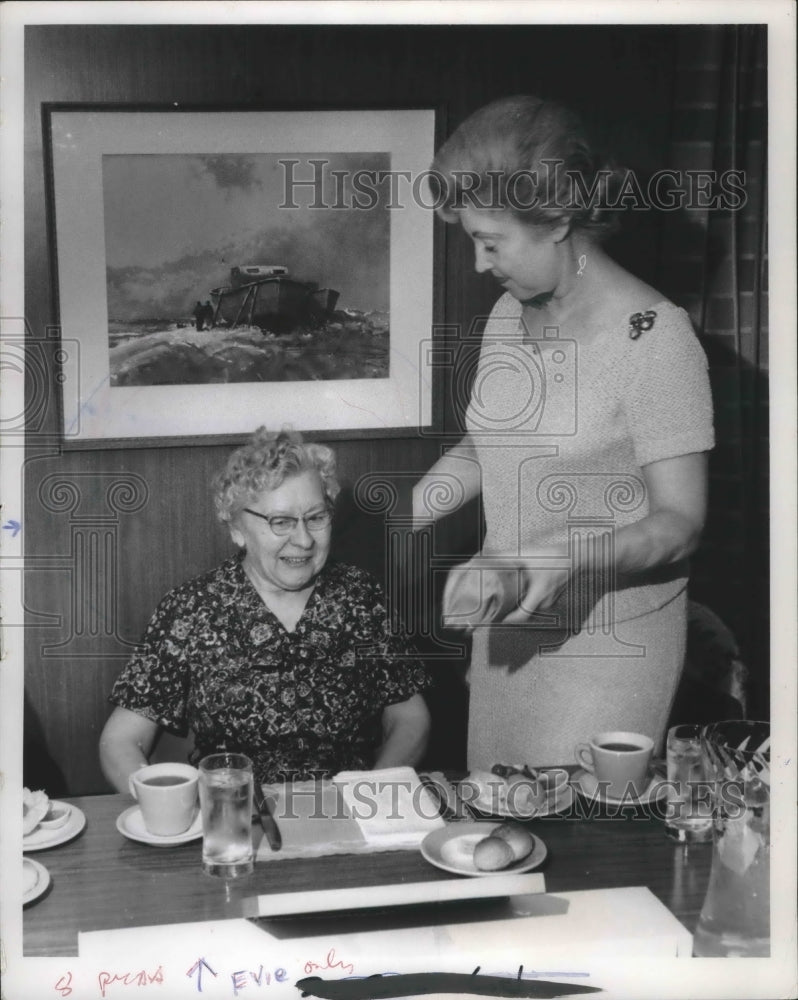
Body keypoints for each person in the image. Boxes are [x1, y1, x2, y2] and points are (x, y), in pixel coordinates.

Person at [413, 96, 714, 769]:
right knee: (498, 830)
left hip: (609, 643)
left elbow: (682, 521)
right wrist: (401, 513)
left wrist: (565, 554)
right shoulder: (506, 313)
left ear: (556, 221)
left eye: (491, 242)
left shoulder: (656, 337)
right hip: (508, 628)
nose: (478, 262)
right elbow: (491, 444)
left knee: (573, 849)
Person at [99, 428, 431, 790]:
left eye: (316, 517)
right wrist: (173, 811)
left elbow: (410, 717)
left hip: (348, 813)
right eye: (281, 521)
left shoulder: (361, 597)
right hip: (235, 820)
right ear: (237, 529)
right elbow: (120, 741)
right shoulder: (191, 609)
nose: (303, 540)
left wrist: (374, 793)